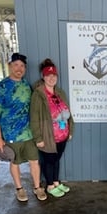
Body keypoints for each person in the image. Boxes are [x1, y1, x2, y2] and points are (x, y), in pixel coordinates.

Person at [0, 52, 47, 202]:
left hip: (29, 134)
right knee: (15, 162)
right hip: (11, 135)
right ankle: (19, 189)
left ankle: (37, 187)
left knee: (34, 161)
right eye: (16, 65)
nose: (19, 68)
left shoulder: (26, 85)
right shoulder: (0, 88)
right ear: (10, 66)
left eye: (22, 66)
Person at [30, 58, 74, 197]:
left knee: (56, 160)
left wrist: (70, 130)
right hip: (48, 136)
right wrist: (38, 138)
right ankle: (49, 185)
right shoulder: (38, 95)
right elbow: (34, 118)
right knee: (49, 161)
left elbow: (69, 112)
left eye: (54, 75)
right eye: (48, 75)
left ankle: (56, 182)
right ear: (43, 77)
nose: (51, 78)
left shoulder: (60, 92)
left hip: (62, 135)